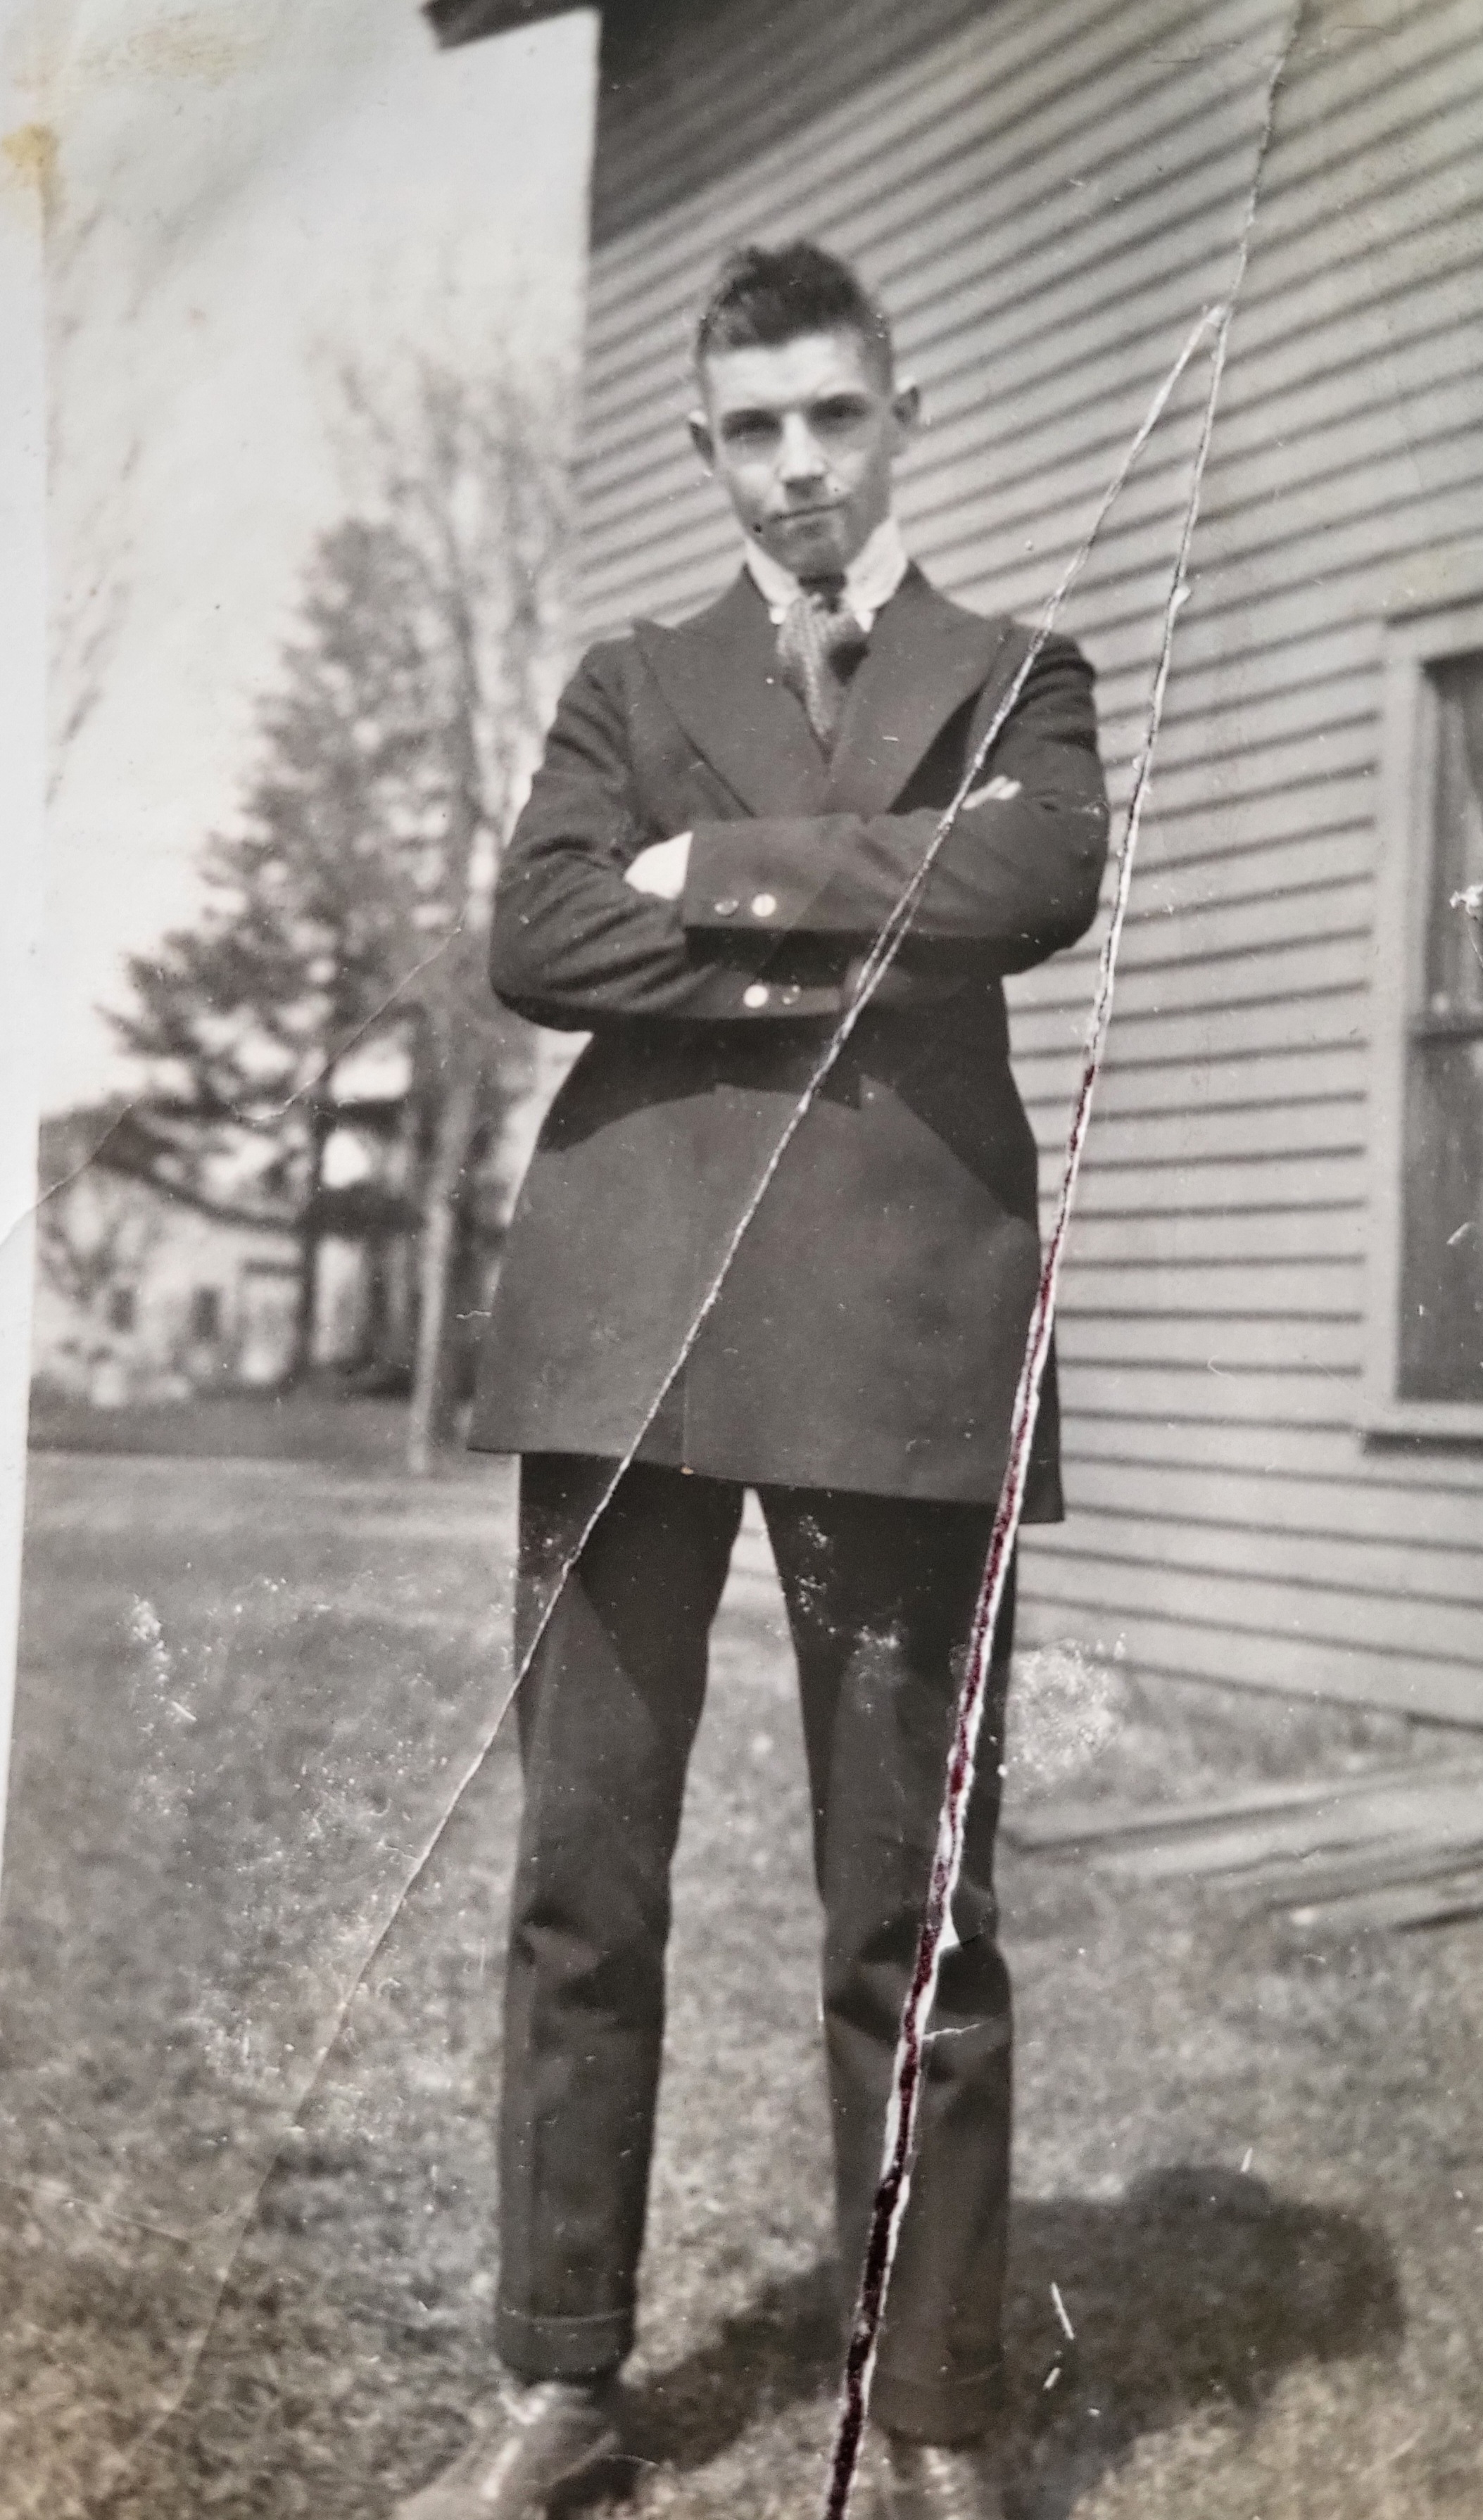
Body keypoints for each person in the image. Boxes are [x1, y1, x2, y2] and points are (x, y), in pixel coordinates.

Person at [397, 241, 1109, 2520]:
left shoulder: (1019, 676)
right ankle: (560, 2387)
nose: (799, 466)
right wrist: (847, 935)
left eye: (835, 417)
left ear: (900, 420)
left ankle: (934, 2412)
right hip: (625, 1341)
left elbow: (1030, 887)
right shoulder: (628, 679)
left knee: (912, 1909)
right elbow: (539, 933)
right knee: (580, 1884)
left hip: (899, 1345)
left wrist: (713, 871)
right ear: (704, 445)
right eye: (755, 429)